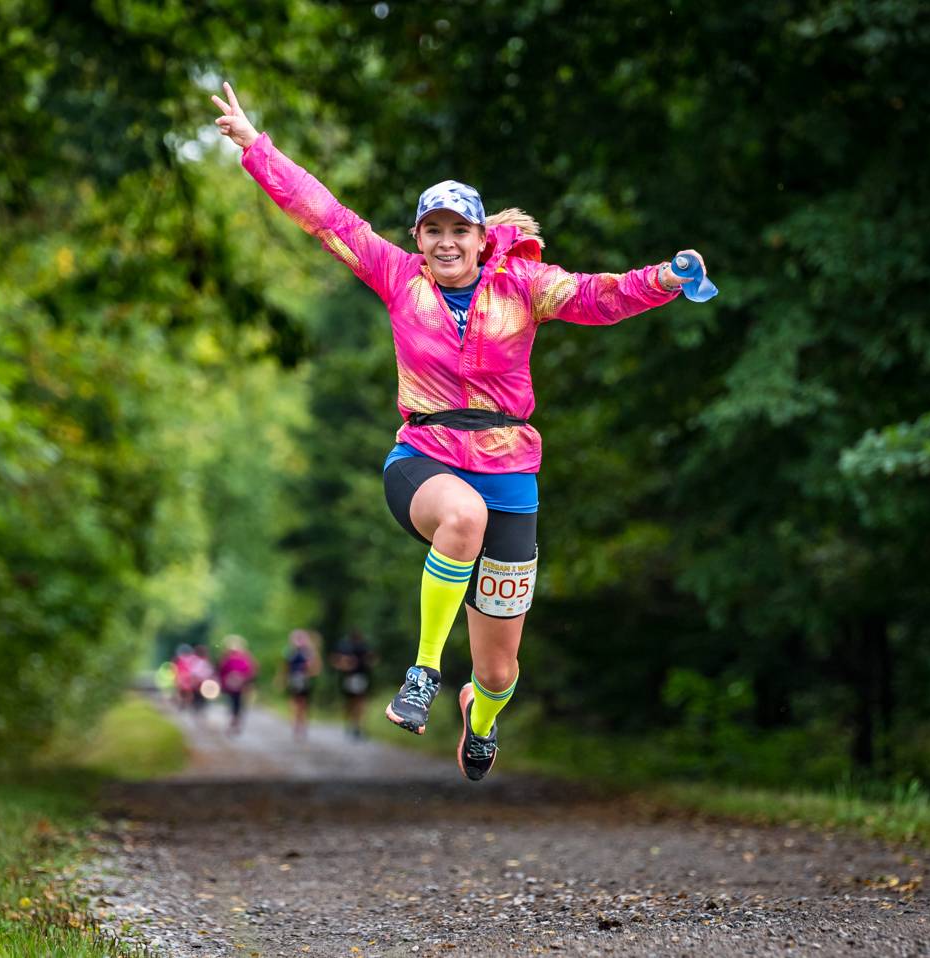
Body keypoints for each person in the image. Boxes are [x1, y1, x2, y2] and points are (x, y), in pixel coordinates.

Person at [212, 82, 704, 782]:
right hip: (424, 458)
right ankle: (422, 672)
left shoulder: (525, 286)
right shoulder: (396, 277)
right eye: (432, 230)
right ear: (418, 238)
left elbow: (600, 296)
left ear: (481, 238)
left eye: (458, 231)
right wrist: (256, 146)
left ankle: (480, 714)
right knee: (462, 515)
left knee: (501, 667)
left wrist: (667, 277)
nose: (445, 243)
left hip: (510, 471)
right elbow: (323, 217)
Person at [330, 630, 377, 740]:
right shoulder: (350, 647)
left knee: (356, 702)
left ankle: (354, 726)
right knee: (356, 702)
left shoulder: (354, 647)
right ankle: (355, 726)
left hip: (355, 677)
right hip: (354, 677)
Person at [280, 628, 320, 740]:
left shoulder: (308, 652)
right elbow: (285, 667)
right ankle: (296, 724)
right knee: (295, 702)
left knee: (302, 703)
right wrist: (283, 679)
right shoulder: (289, 652)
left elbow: (315, 669)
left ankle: (301, 724)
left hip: (304, 680)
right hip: (295, 679)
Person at [216, 634, 258, 735]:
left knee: (238, 703)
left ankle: (235, 720)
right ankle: (234, 719)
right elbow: (222, 670)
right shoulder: (227, 658)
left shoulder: (244, 658)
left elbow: (250, 670)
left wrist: (243, 679)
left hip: (241, 685)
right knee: (233, 703)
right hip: (231, 686)